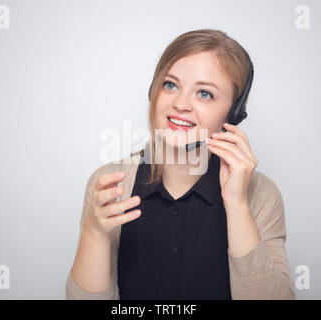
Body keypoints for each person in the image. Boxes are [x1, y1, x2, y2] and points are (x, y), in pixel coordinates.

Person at [66, 29, 295, 300]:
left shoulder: (261, 194)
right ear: (154, 91)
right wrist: (95, 231)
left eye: (204, 94)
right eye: (171, 85)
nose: (181, 104)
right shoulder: (111, 183)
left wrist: (237, 205)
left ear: (233, 113)